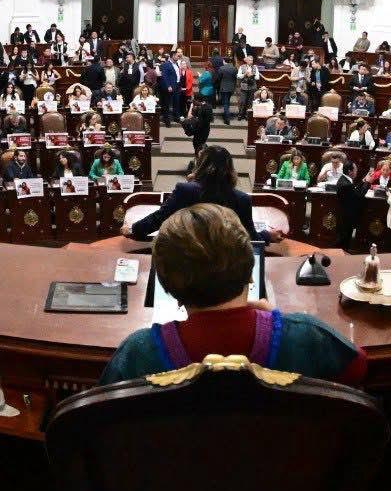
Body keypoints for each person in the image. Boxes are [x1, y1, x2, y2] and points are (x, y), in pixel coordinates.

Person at [101, 204, 363, 384]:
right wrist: (280, 319)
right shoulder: (308, 335)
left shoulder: (136, 353)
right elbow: (361, 368)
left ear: (167, 286)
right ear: (251, 270)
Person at [126, 146, 282, 243]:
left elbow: (158, 219)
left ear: (201, 166)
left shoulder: (185, 190)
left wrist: (133, 229)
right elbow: (250, 238)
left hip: (189, 258)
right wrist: (267, 236)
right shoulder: (242, 199)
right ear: (231, 170)